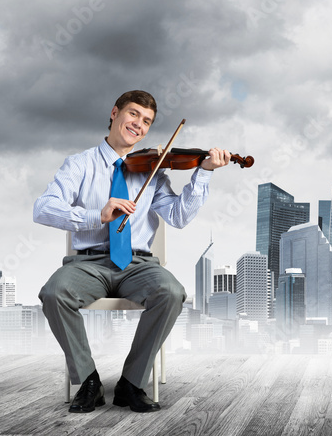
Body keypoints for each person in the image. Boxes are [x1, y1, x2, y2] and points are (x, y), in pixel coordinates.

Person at [34, 90, 228, 413]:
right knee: (54, 293)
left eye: (147, 121)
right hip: (89, 263)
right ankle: (88, 382)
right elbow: (43, 208)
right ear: (114, 113)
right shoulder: (79, 164)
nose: (139, 124)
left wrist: (204, 172)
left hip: (138, 263)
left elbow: (178, 217)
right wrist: (96, 214)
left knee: (171, 292)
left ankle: (131, 382)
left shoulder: (153, 171)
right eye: (134, 114)